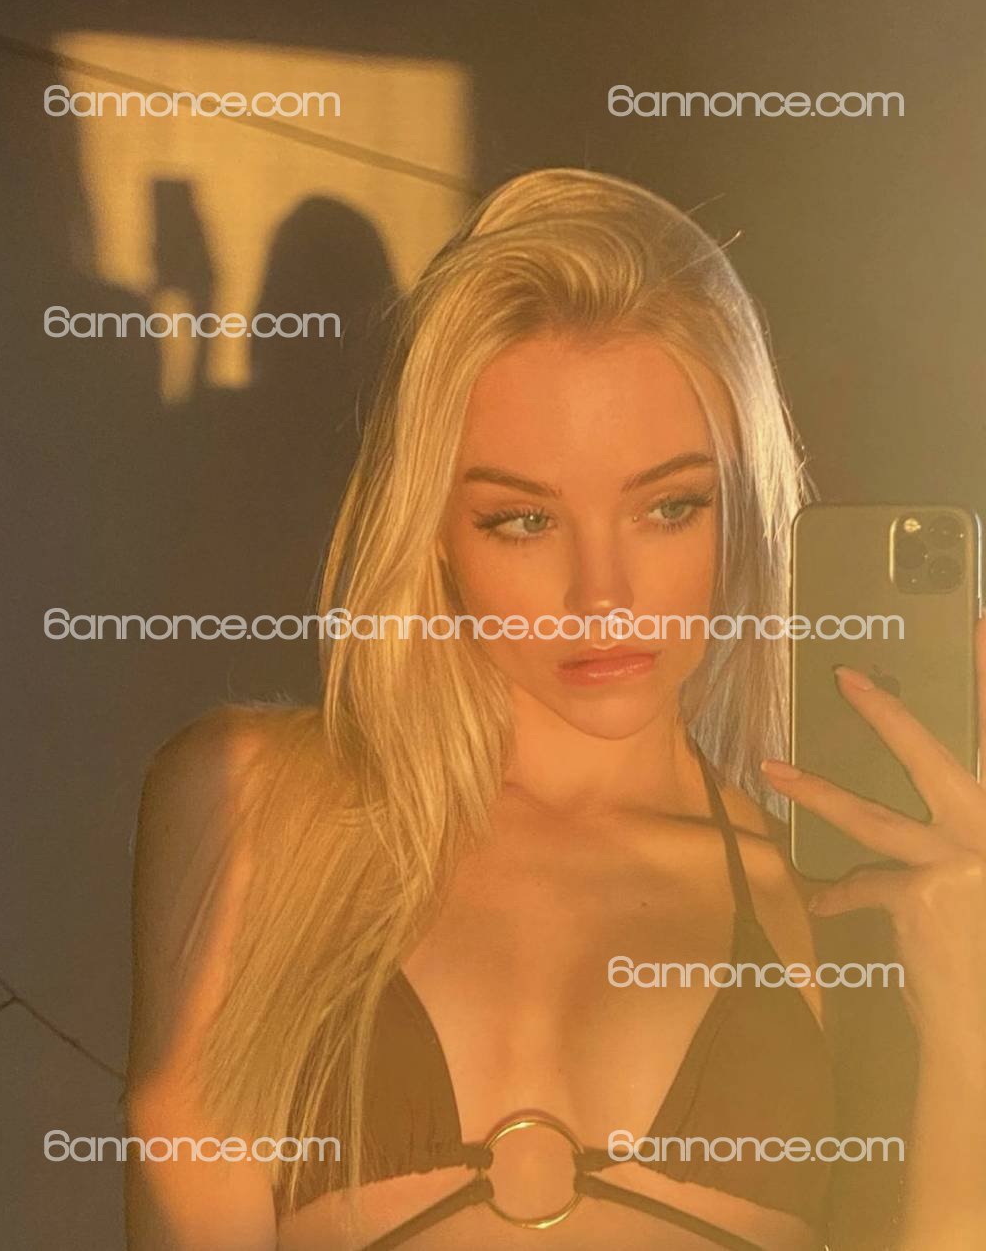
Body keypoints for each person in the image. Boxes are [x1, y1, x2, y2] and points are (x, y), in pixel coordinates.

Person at [124, 169, 986, 1250]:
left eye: (670, 507)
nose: (602, 595)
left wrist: (973, 1029)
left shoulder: (835, 896)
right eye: (523, 520)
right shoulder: (251, 805)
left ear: (747, 510)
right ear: (431, 529)